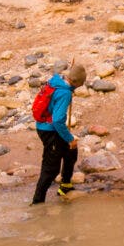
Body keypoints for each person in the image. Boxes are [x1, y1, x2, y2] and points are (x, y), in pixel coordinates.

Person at [31, 62, 85, 204]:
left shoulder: (56, 81)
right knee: (51, 168)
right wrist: (69, 137)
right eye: (79, 85)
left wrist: (70, 142)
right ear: (75, 82)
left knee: (71, 150)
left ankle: (65, 185)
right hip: (49, 131)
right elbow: (58, 121)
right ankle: (37, 202)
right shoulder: (65, 92)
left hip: (44, 126)